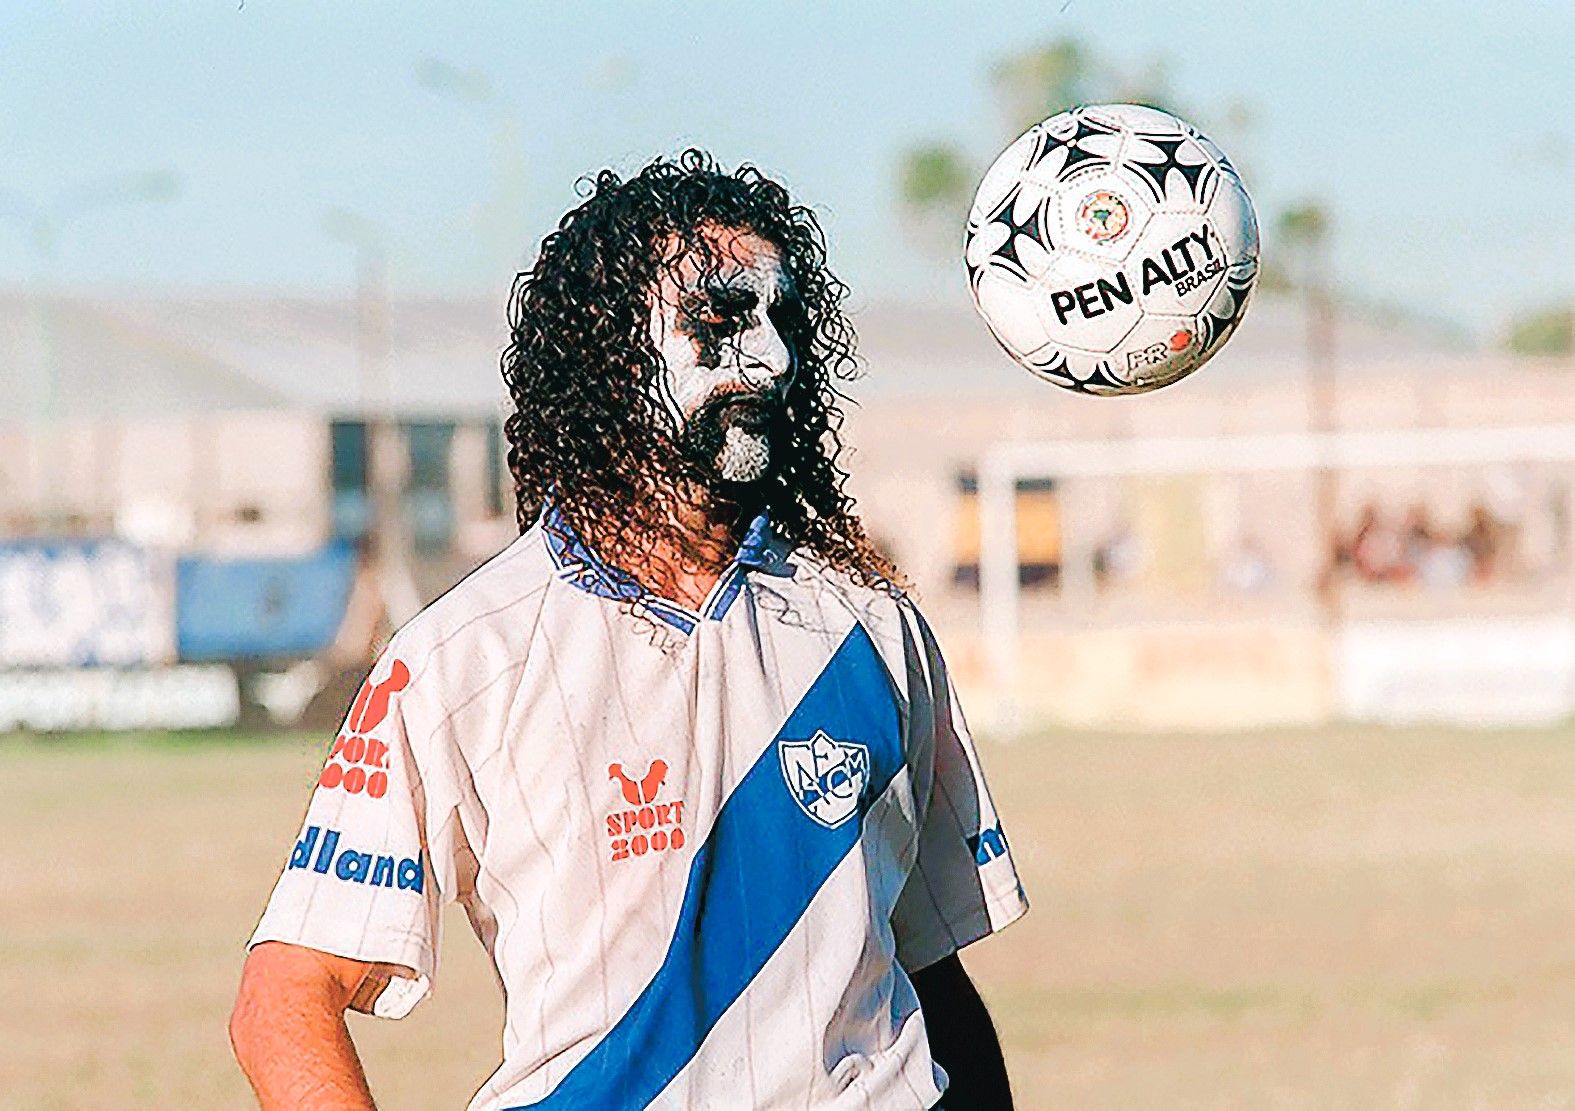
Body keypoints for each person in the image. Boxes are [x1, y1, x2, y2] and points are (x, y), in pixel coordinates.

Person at [229, 150, 1028, 1111]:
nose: (768, 360)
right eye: (721, 322)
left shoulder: (870, 621)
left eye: (782, 323)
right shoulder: (462, 656)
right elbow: (284, 998)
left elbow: (923, 963)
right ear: (613, 352)